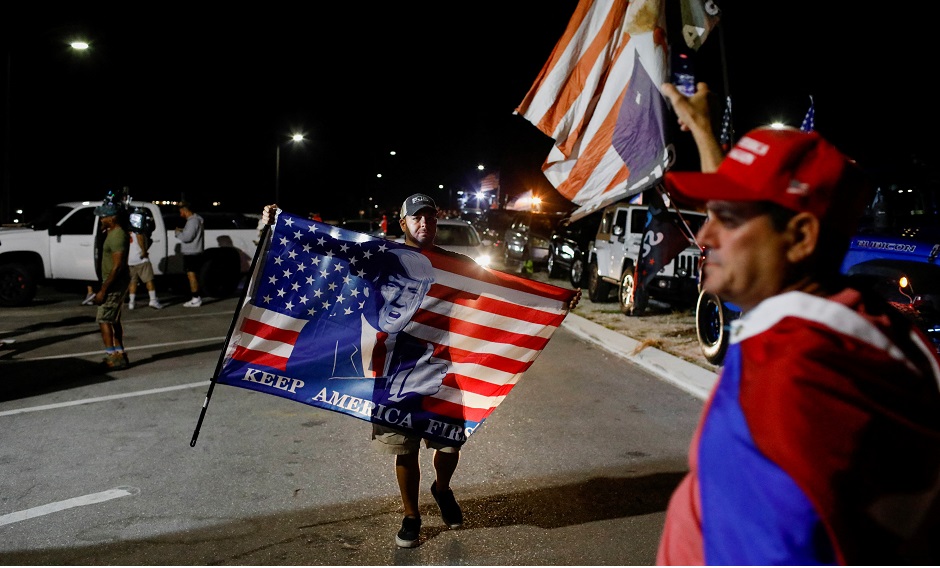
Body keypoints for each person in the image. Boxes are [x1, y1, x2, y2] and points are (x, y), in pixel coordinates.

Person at [655, 82, 940, 564]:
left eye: (727, 216)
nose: (705, 234)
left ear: (801, 237)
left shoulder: (790, 379)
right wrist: (705, 133)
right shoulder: (848, 325)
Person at [91, 202, 132, 370]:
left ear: (112, 218)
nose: (101, 219)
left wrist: (103, 290)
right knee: (114, 318)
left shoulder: (117, 236)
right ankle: (119, 353)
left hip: (114, 284)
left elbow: (117, 266)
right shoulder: (112, 233)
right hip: (116, 282)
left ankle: (112, 357)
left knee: (104, 319)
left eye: (104, 216)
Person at [175, 201, 205, 307]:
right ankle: (196, 297)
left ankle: (196, 298)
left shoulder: (192, 221)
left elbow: (187, 237)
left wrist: (178, 233)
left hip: (191, 252)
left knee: (191, 275)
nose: (180, 214)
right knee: (193, 275)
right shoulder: (196, 220)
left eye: (181, 212)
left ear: (185, 210)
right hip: (194, 251)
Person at [126, 230, 164, 310]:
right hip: (140, 259)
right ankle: (153, 300)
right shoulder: (137, 231)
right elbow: (140, 238)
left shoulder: (126, 233)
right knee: (149, 279)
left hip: (130, 260)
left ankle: (131, 302)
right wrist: (144, 252)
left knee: (133, 281)